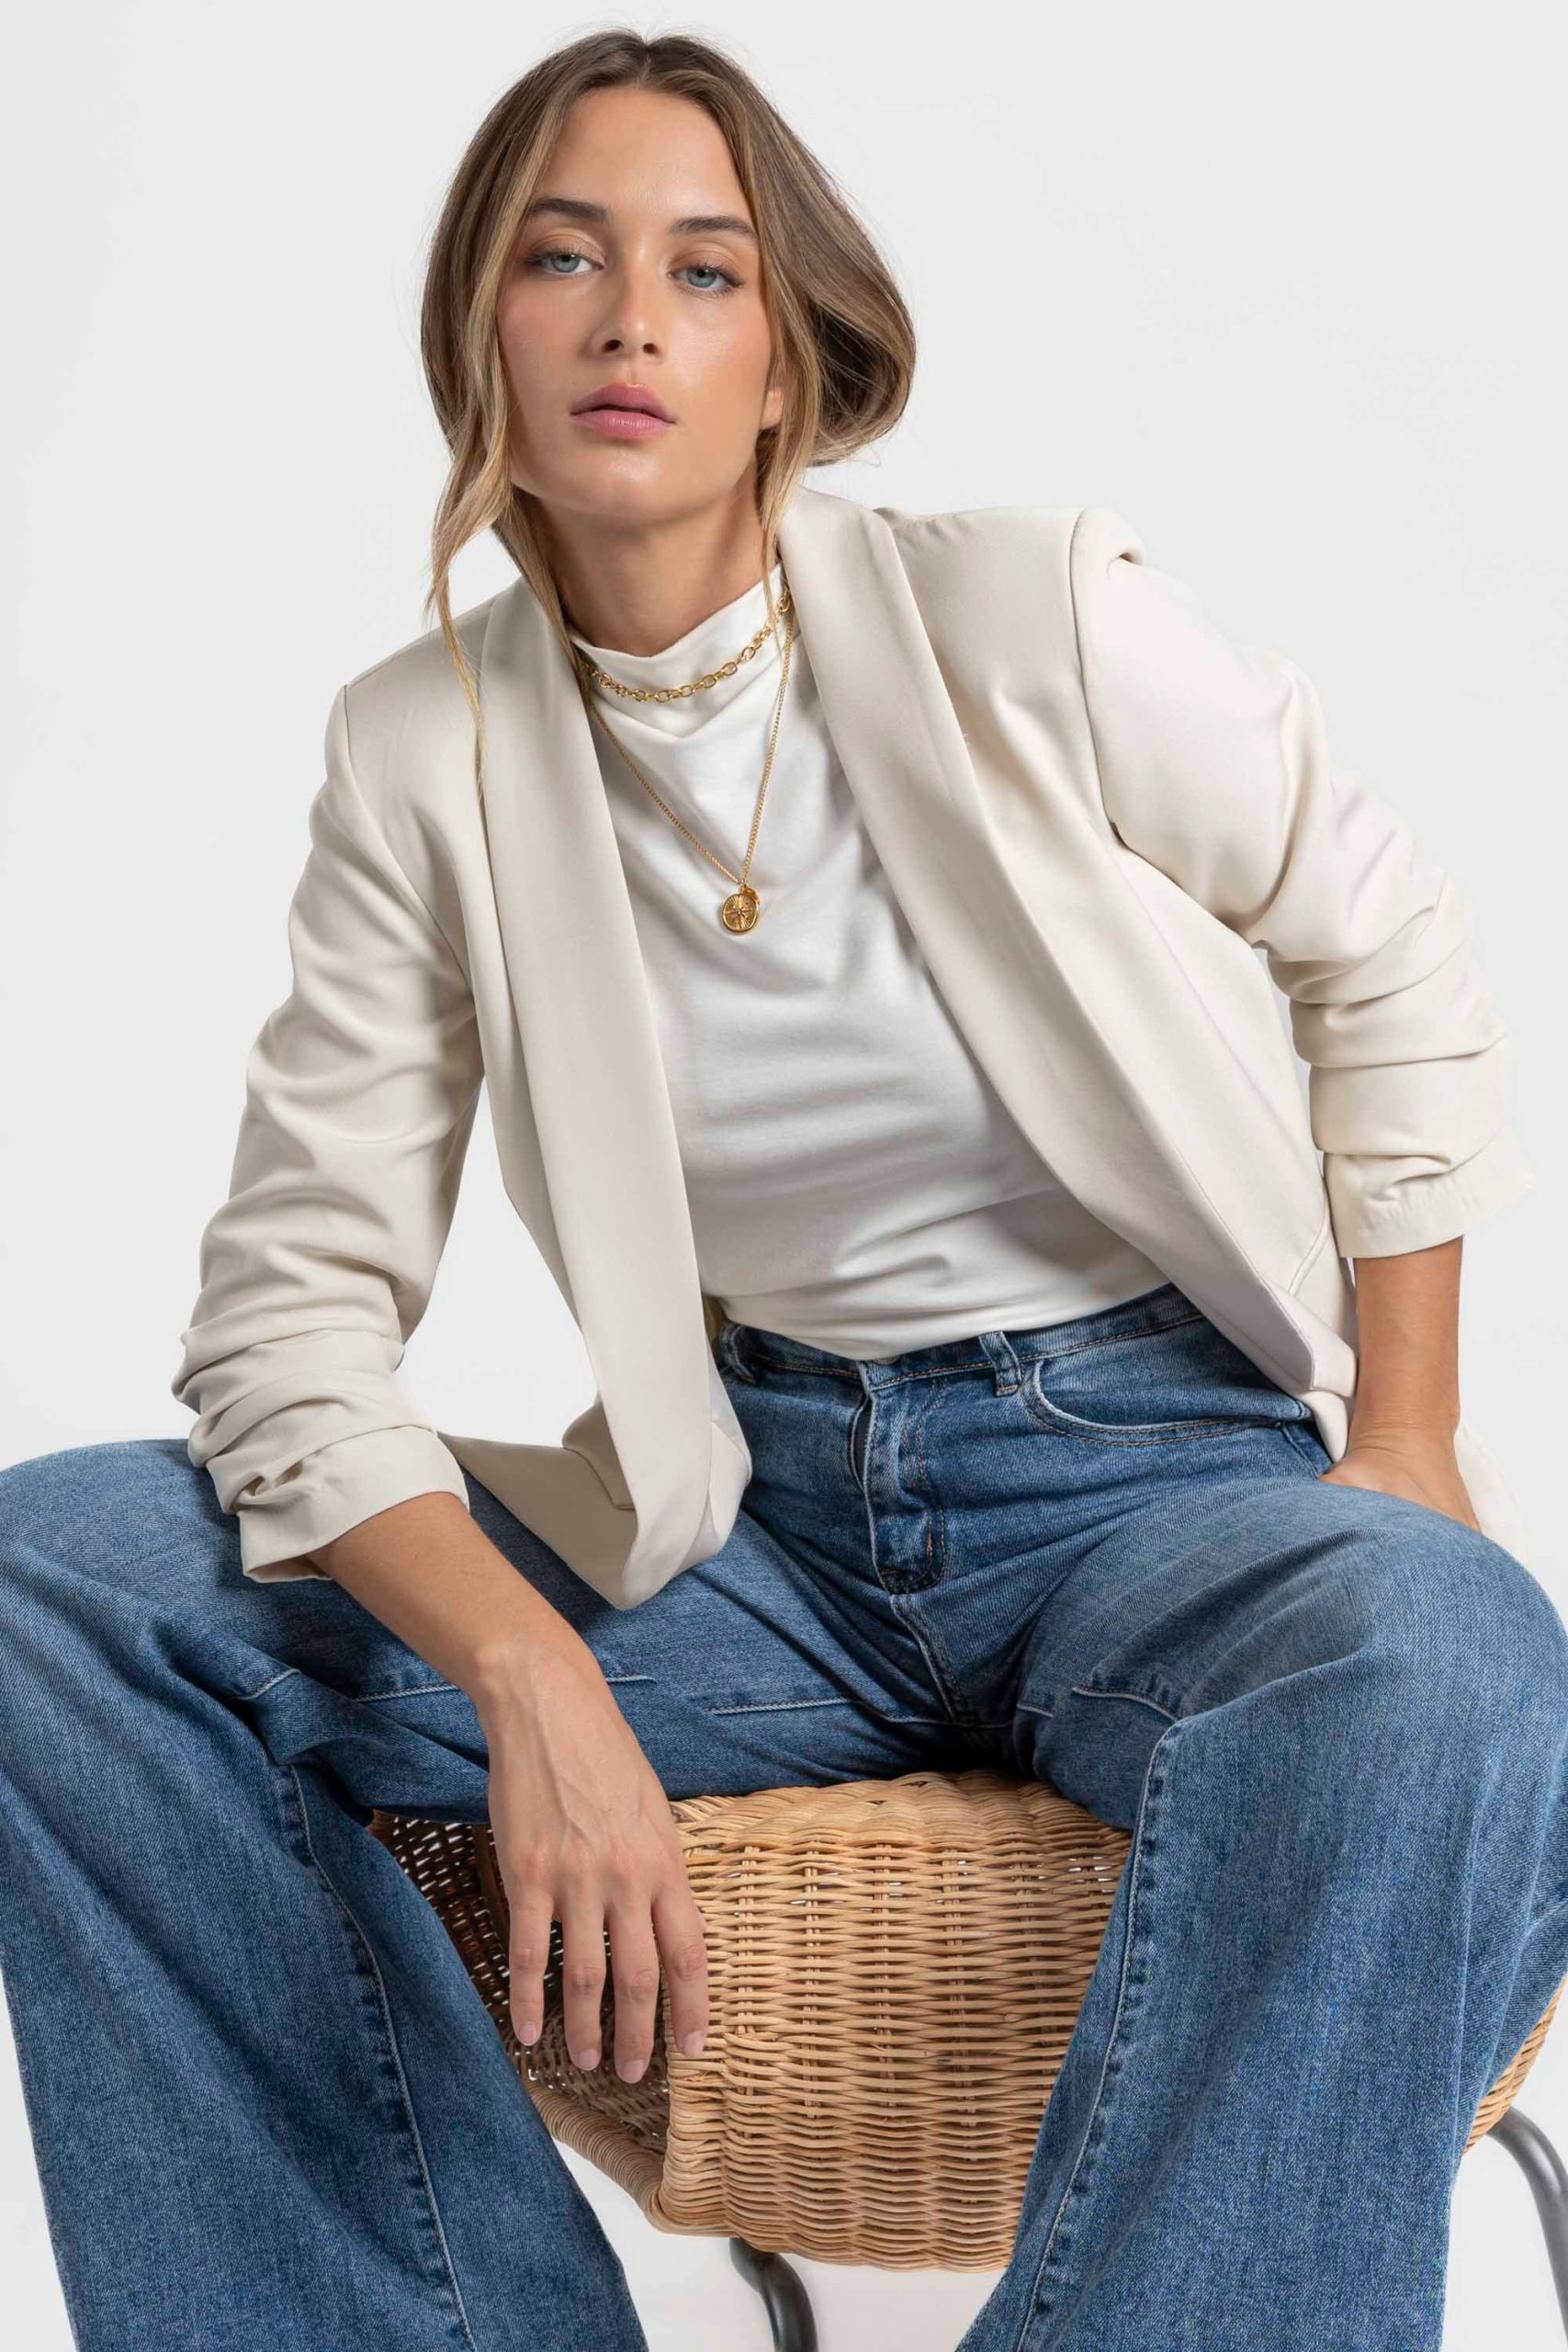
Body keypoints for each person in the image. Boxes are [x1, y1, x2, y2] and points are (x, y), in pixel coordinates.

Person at [1, 26, 1562, 2352]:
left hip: (1150, 1476)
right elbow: (287, 1320)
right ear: (481, 327)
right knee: (62, 1578)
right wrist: (528, 1667)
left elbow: (1382, 941)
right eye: (564, 258)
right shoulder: (421, 751)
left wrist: (1406, 1429)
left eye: (704, 270)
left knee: (1438, 1645)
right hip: (749, 1525)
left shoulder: (1020, 613)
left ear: (784, 368)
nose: (629, 318)